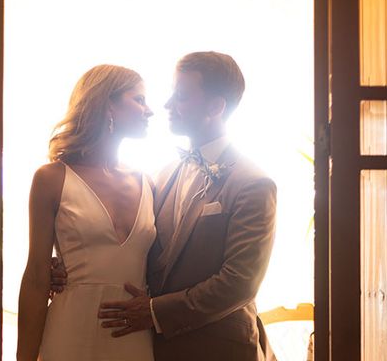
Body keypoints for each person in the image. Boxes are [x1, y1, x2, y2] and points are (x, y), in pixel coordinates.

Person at [54, 51, 277, 361]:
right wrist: (67, 265)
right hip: (155, 348)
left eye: (181, 96)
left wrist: (155, 312)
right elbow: (135, 246)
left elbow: (239, 283)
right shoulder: (159, 176)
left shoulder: (252, 183)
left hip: (221, 349)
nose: (167, 104)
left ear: (215, 107)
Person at [16, 65, 156, 361]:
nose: (149, 111)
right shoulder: (52, 178)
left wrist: (157, 306)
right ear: (108, 104)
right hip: (69, 334)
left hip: (133, 337)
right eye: (139, 100)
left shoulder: (149, 183)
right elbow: (37, 278)